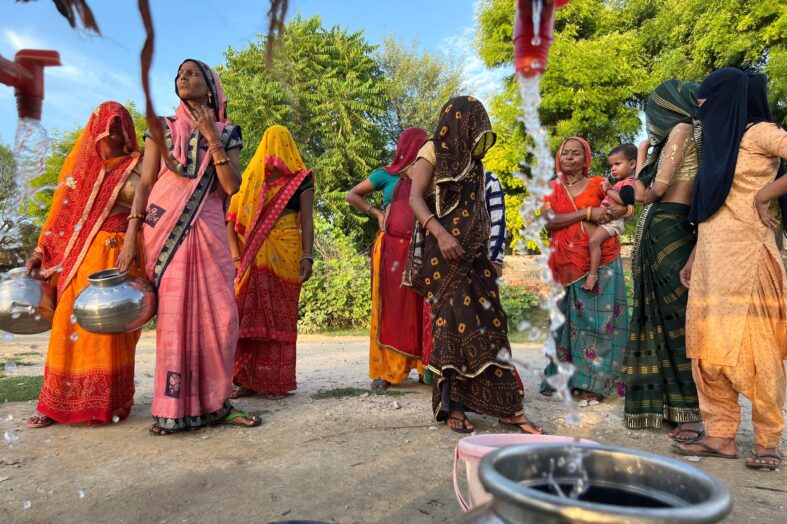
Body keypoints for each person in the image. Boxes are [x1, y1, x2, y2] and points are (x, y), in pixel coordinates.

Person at [116, 59, 261, 435]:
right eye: (179, 73)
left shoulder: (229, 132)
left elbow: (231, 186)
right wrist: (131, 235)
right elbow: (145, 185)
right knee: (177, 319)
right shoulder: (161, 128)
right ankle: (172, 407)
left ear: (211, 86)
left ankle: (217, 404)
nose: (182, 76)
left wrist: (212, 136)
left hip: (210, 232)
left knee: (222, 320)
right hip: (166, 230)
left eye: (192, 72)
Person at [405, 95, 542, 434]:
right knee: (454, 324)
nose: (478, 135)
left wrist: (489, 253)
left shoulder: (475, 165)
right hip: (445, 255)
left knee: (491, 323)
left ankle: (507, 407)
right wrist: (441, 233)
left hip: (476, 258)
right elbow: (415, 199)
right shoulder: (431, 152)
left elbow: (484, 212)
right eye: (473, 126)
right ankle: (452, 405)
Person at [673, 68, 787, 470]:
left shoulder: (759, 133)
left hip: (748, 261)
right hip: (710, 261)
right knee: (706, 351)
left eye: (705, 103)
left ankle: (768, 441)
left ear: (726, 101)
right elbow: (712, 210)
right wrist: (693, 257)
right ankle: (720, 436)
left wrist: (767, 193)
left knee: (756, 353)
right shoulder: (724, 144)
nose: (701, 110)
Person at [26, 102, 145, 428]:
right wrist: (42, 251)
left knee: (110, 332)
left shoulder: (141, 165)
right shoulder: (82, 173)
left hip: (122, 255)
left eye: (119, 126)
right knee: (68, 323)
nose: (113, 134)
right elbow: (61, 217)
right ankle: (53, 404)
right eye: (107, 127)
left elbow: (154, 208)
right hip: (82, 258)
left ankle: (107, 402)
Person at [623, 80, 704, 441]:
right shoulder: (688, 135)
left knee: (675, 318)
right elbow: (643, 193)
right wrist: (644, 154)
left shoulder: (683, 129)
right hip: (663, 231)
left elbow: (650, 192)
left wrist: (642, 154)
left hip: (670, 230)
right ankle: (675, 406)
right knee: (664, 317)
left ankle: (692, 411)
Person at [225, 125, 315, 399]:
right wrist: (236, 257)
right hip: (252, 255)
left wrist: (307, 256)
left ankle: (276, 381)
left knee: (281, 315)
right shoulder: (253, 178)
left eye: (281, 145)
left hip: (287, 251)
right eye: (271, 145)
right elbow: (231, 219)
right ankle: (246, 380)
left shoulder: (302, 178)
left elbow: (308, 220)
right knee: (246, 313)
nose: (276, 153)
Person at [541, 136, 630, 403]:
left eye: (576, 153)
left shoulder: (598, 183)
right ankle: (566, 382)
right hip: (564, 265)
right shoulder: (552, 188)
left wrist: (612, 211)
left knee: (596, 323)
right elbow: (549, 222)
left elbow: (623, 209)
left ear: (585, 159)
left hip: (600, 262)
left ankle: (595, 384)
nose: (569, 157)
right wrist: (587, 214)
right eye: (565, 153)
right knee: (565, 324)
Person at [346, 127, 429, 390]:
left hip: (421, 249)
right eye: (423, 145)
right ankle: (387, 371)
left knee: (420, 307)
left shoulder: (431, 176)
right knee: (389, 308)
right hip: (390, 249)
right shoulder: (386, 175)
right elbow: (352, 195)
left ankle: (426, 369)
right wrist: (377, 213)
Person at [581, 145, 637, 291]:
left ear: (632, 164)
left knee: (594, 241)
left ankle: (592, 276)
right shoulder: (622, 183)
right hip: (609, 219)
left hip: (613, 221)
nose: (613, 168)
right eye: (611, 165)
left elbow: (625, 200)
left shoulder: (629, 184)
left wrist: (607, 190)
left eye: (617, 164)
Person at [485, 170, 507, 277]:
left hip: (480, 260)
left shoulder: (488, 179)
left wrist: (496, 260)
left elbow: (498, 222)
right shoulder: (437, 178)